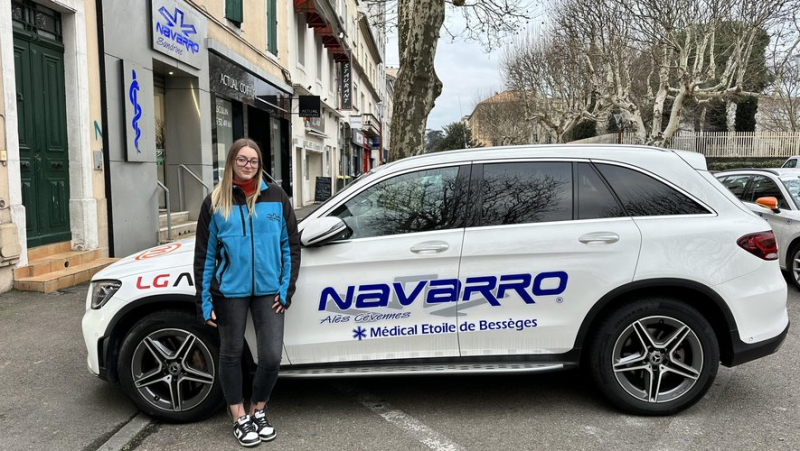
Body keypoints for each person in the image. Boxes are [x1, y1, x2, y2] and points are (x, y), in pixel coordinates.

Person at [193, 138, 300, 447]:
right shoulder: (215, 200)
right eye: (242, 160)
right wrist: (204, 299)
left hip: (269, 291)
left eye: (253, 160)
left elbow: (290, 245)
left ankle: (258, 411)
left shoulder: (276, 196)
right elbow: (205, 255)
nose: (248, 165)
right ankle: (238, 415)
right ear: (231, 162)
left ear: (259, 164)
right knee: (230, 354)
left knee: (270, 357)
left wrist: (285, 288)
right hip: (229, 292)